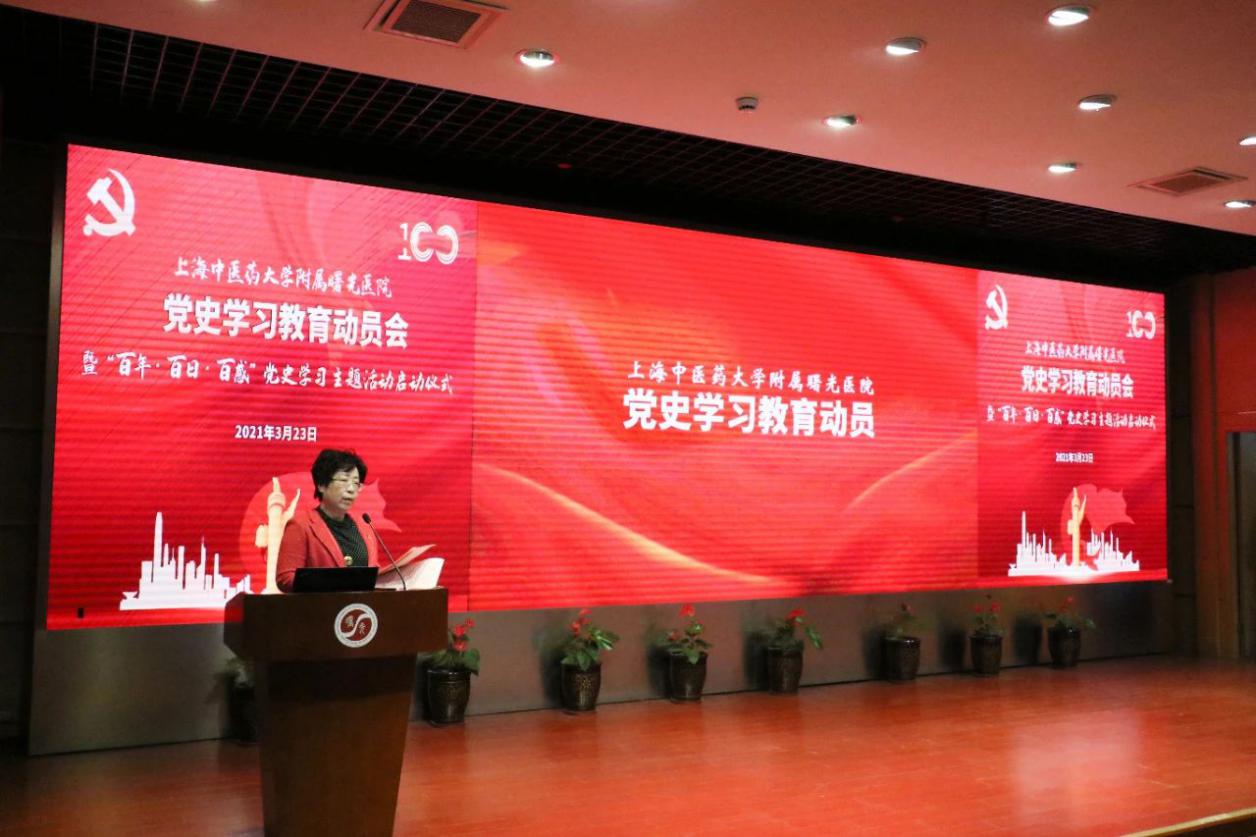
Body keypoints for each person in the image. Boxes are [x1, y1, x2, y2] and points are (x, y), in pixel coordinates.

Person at [276, 448, 379, 592]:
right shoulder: (301, 526)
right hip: (322, 605)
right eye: (343, 481)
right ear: (322, 485)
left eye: (356, 483)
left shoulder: (365, 526)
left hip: (360, 605)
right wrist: (333, 583)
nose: (351, 489)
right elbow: (285, 578)